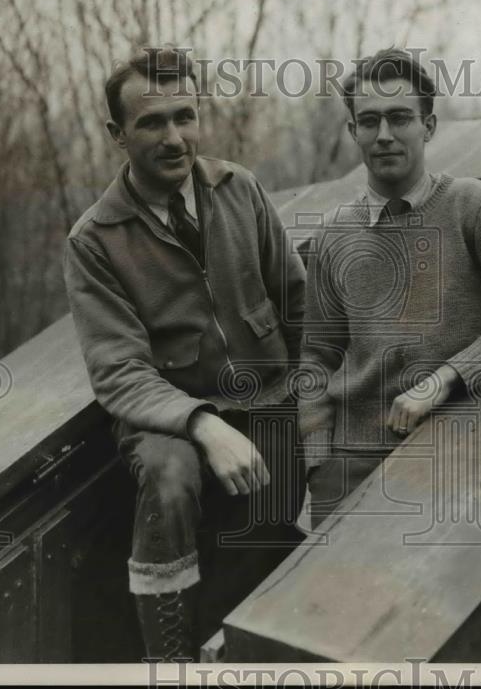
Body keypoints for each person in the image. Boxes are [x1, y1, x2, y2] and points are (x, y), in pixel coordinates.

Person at [63, 47, 306, 660]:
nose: (174, 138)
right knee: (170, 481)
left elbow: (300, 305)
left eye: (185, 116)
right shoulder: (95, 240)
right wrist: (203, 426)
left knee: (297, 496)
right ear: (118, 135)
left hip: (266, 395)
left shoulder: (239, 190)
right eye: (151, 123)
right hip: (169, 415)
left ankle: (230, 643)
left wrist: (321, 396)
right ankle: (169, 659)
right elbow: (118, 373)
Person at [298, 47, 481, 528]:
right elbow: (316, 356)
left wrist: (445, 378)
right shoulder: (331, 234)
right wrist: (319, 460)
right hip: (351, 463)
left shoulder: (470, 204)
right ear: (352, 132)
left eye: (400, 118)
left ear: (428, 126)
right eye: (369, 121)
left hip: (453, 449)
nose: (384, 135)